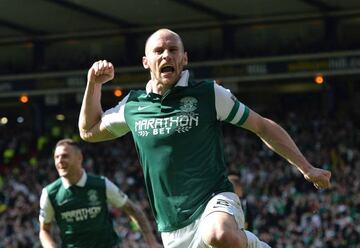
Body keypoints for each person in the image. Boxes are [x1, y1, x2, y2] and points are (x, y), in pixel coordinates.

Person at [78, 28, 332, 248]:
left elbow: (262, 126)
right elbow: (88, 131)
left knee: (218, 234)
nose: (166, 55)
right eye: (159, 51)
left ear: (184, 58)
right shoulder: (133, 105)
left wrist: (306, 168)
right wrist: (94, 84)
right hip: (171, 225)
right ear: (146, 61)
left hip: (214, 200)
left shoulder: (208, 94)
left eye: (173, 50)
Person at [39, 138, 161, 248]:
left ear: (79, 158)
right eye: (57, 157)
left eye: (65, 156)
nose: (60, 161)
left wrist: (152, 242)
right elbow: (44, 230)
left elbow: (133, 210)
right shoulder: (50, 193)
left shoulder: (101, 184)